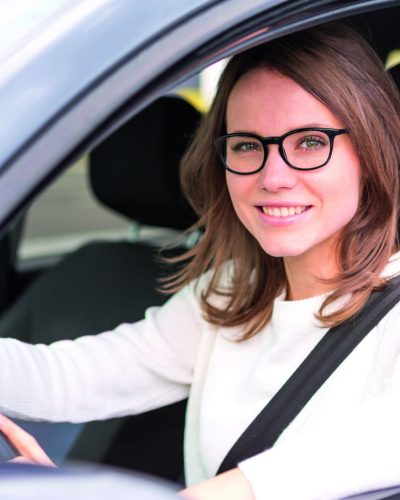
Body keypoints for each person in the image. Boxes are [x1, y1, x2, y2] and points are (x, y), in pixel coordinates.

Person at [1, 21, 400, 499]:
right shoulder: (234, 289)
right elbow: (70, 377)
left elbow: (279, 480)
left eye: (310, 142)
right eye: (248, 145)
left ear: (374, 149)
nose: (273, 176)